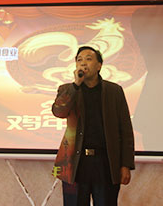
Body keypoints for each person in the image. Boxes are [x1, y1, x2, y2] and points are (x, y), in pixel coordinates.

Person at [51, 45, 135, 206]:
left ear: (99, 66)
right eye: (79, 60)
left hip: (106, 163)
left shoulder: (114, 91)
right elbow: (59, 111)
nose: (83, 63)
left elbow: (125, 130)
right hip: (75, 164)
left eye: (88, 59)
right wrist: (75, 85)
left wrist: (126, 164)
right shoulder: (67, 89)